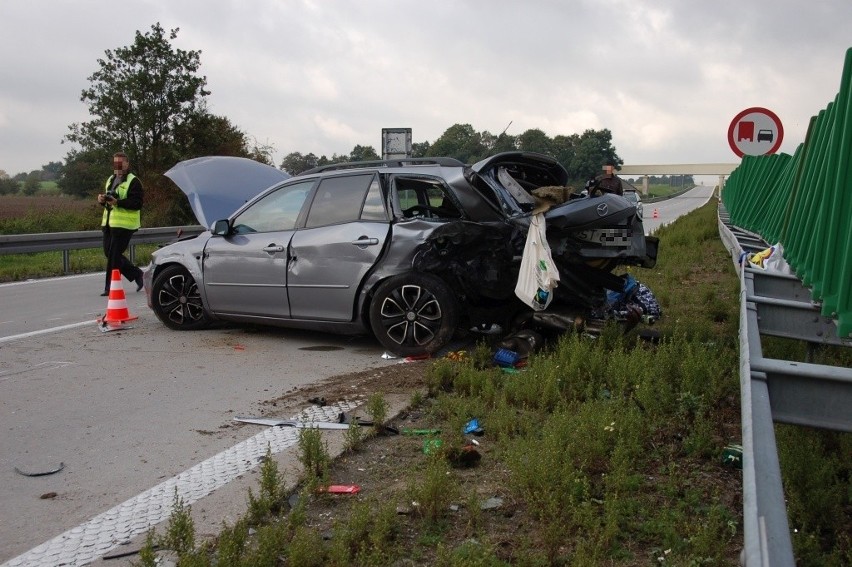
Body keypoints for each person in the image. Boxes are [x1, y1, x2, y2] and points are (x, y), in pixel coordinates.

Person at [97, 152, 144, 296]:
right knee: (108, 252)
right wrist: (102, 200)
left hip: (125, 225)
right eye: (115, 163)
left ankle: (109, 287)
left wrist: (118, 202)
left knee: (114, 256)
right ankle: (137, 274)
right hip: (109, 224)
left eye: (121, 163)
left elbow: (137, 203)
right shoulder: (111, 179)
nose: (118, 165)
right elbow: (109, 202)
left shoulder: (133, 181)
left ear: (127, 164)